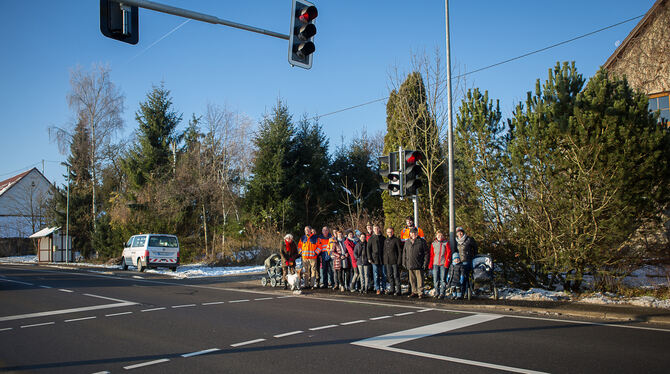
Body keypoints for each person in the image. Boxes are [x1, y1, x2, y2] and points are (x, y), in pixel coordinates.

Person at [402, 227, 429, 298]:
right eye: (412, 233)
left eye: (415, 233)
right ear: (410, 234)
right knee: (412, 279)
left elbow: (426, 253)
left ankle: (421, 292)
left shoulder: (422, 241)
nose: (413, 234)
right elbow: (404, 252)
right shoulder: (407, 242)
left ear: (417, 233)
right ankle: (414, 291)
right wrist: (404, 262)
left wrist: (425, 263)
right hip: (410, 263)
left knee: (420, 279)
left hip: (419, 264)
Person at [455, 226, 477, 299]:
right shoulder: (457, 241)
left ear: (463, 232)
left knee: (466, 277)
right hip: (460, 262)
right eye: (458, 232)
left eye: (461, 232)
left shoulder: (469, 239)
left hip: (467, 260)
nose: (460, 233)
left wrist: (473, 256)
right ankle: (463, 292)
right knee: (462, 277)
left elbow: (475, 248)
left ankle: (467, 292)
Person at [428, 230, 451, 299]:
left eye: (441, 235)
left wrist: (446, 262)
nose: (440, 237)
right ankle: (437, 292)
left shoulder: (446, 243)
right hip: (435, 263)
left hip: (443, 263)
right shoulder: (433, 244)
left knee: (443, 279)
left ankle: (442, 293)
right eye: (438, 235)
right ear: (436, 236)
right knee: (435, 279)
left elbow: (448, 253)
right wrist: (430, 264)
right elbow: (432, 254)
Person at [366, 223, 386, 294]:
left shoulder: (383, 238)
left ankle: (384, 288)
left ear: (379, 229)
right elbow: (368, 249)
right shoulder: (371, 238)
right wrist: (369, 258)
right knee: (376, 275)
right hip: (374, 259)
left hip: (383, 259)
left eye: (377, 228)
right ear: (373, 230)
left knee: (384, 274)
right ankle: (377, 288)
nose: (376, 230)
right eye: (375, 229)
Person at [383, 227, 403, 296]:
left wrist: (399, 261)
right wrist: (385, 260)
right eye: (388, 232)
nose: (389, 233)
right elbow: (385, 251)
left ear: (393, 232)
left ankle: (398, 290)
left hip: (395, 261)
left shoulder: (396, 240)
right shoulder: (386, 240)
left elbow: (400, 251)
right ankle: (392, 289)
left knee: (396, 276)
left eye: (391, 232)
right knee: (390, 276)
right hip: (387, 261)